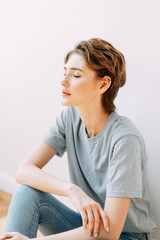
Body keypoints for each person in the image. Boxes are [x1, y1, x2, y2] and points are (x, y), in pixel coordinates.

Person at [0, 38, 156, 240]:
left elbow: (111, 233)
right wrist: (73, 191)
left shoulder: (125, 138)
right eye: (65, 72)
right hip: (90, 228)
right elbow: (24, 171)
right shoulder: (70, 117)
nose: (64, 81)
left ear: (103, 84)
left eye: (75, 75)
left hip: (122, 236)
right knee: (26, 193)